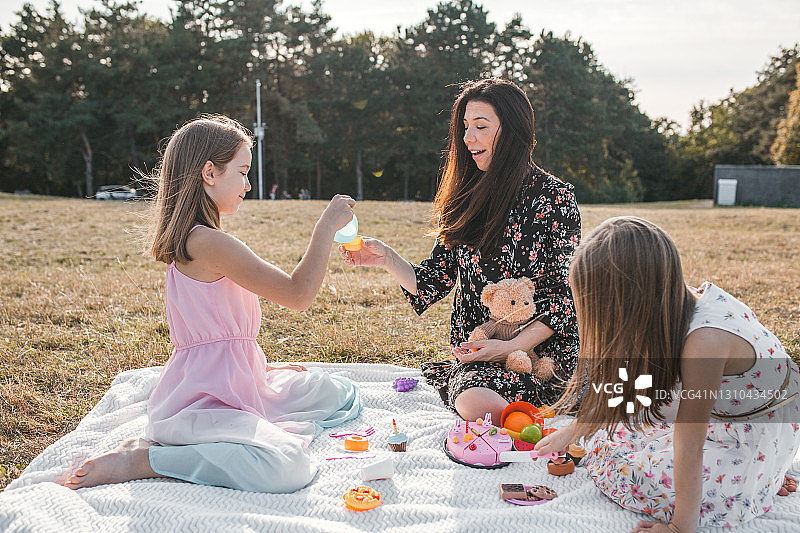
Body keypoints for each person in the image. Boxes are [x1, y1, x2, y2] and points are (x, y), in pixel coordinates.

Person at [64, 115, 361, 493]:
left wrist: (258, 367)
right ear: (209, 173)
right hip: (205, 398)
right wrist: (325, 227)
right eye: (242, 172)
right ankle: (146, 460)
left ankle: (251, 397)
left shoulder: (202, 238)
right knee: (287, 465)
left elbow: (223, 338)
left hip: (237, 380)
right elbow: (298, 295)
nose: (248, 184)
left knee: (337, 393)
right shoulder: (208, 243)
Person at [535, 216, 800, 532]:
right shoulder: (675, 304)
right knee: (618, 432)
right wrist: (575, 430)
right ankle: (763, 476)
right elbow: (634, 388)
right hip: (746, 416)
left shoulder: (704, 343)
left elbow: (689, 445)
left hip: (756, 433)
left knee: (635, 473)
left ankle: (756, 480)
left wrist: (679, 527)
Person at [340, 78, 581, 423]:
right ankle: (531, 419)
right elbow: (434, 280)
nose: (468, 138)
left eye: (481, 126)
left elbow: (564, 296)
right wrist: (387, 258)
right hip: (480, 354)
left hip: (543, 353)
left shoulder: (555, 198)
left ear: (512, 131)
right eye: (465, 127)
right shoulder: (464, 197)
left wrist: (511, 347)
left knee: (591, 388)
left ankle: (535, 413)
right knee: (474, 402)